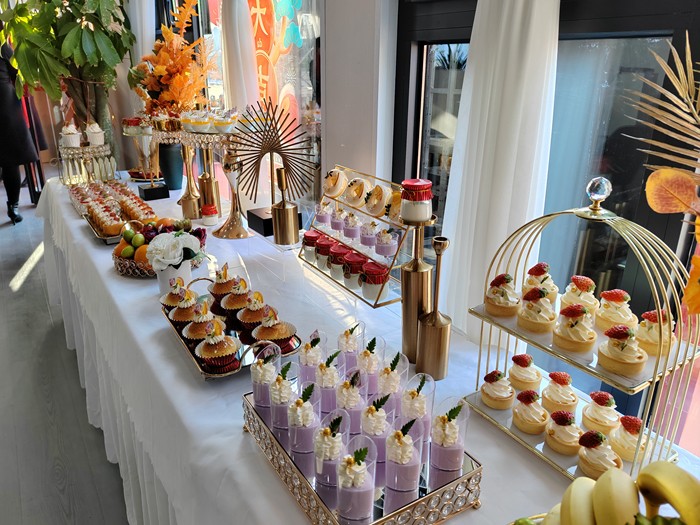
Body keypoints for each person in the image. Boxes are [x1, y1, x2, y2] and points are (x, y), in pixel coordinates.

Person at [0, 21, 39, 224]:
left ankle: (13, 205)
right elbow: (17, 73)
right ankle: (13, 206)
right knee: (10, 160)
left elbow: (16, 74)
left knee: (10, 159)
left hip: (5, 105)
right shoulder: (3, 47)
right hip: (5, 103)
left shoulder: (3, 46)